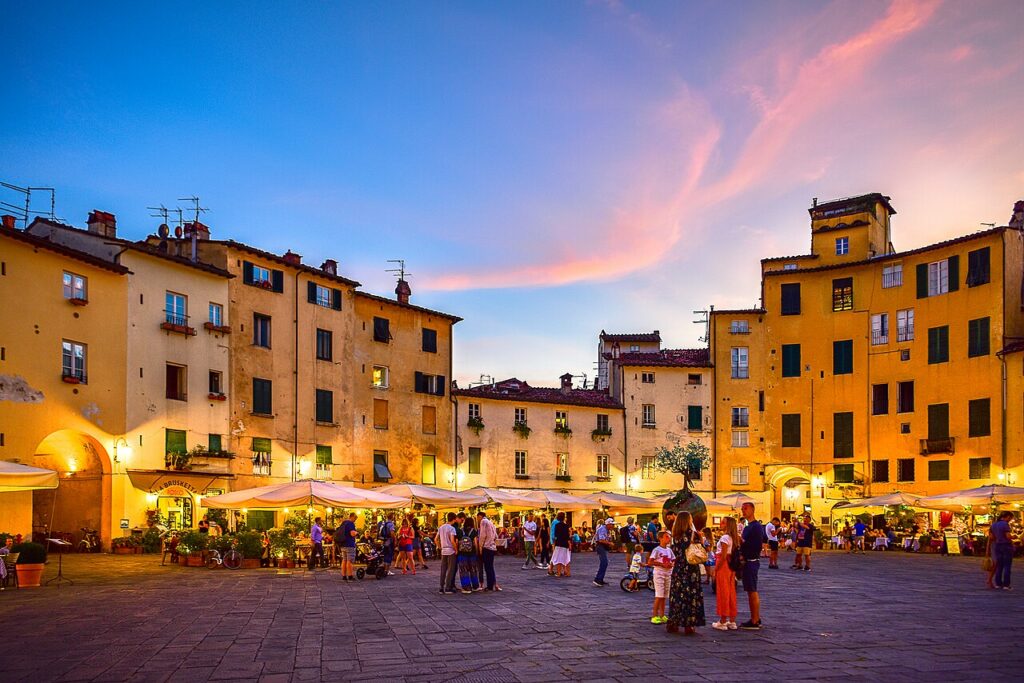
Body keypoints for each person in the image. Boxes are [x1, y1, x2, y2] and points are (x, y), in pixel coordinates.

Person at [666, 511, 705, 635]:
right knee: (691, 596)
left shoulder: (675, 535)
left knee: (677, 595)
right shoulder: (693, 534)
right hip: (691, 568)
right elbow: (702, 549)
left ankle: (674, 622)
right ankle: (689, 624)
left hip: (679, 568)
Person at [739, 502, 764, 630]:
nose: (743, 511)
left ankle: (755, 620)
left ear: (753, 510)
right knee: (750, 590)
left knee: (752, 590)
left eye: (746, 508)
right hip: (748, 560)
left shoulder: (756, 526)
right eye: (742, 509)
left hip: (751, 560)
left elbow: (756, 545)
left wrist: (743, 543)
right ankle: (755, 617)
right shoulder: (747, 526)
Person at [712, 516, 739, 631]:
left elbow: (722, 556)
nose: (720, 524)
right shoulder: (735, 538)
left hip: (723, 565)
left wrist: (715, 569)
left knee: (723, 591)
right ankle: (732, 620)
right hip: (731, 566)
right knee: (731, 591)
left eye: (723, 523)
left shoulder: (724, 538)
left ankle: (722, 620)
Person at [648, 531, 675, 624]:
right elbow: (650, 562)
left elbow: (674, 559)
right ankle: (654, 615)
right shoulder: (657, 550)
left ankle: (662, 615)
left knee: (664, 596)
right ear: (661, 538)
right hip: (659, 573)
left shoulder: (669, 550)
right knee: (659, 595)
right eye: (666, 537)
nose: (669, 539)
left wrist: (671, 564)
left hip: (668, 573)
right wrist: (661, 564)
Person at [477, 511, 501, 591]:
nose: (477, 520)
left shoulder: (483, 522)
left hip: (486, 547)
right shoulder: (491, 523)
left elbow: (482, 535)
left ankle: (490, 586)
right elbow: (496, 536)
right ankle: (493, 584)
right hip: (492, 547)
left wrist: (480, 546)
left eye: (477, 518)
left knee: (487, 567)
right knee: (490, 567)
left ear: (480, 516)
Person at [436, 512, 459, 594]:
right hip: (450, 550)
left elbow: (436, 539)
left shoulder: (441, 527)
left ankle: (441, 587)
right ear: (454, 519)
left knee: (443, 569)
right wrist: (456, 549)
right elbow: (452, 541)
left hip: (443, 550)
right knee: (450, 569)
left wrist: (439, 547)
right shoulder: (452, 528)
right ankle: (448, 587)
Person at [457, 516, 481, 593]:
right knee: (473, 570)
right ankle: (475, 586)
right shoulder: (474, 531)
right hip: (472, 553)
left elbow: (457, 542)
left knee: (463, 570)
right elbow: (475, 543)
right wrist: (477, 552)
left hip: (462, 553)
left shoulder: (460, 531)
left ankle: (466, 587)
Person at [992, 511, 1014, 590]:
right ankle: (1006, 585)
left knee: (999, 565)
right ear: (1007, 516)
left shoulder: (994, 524)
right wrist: (1013, 537)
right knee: (1007, 566)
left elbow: (992, 537)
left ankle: (998, 584)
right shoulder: (1005, 524)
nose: (1010, 520)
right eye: (1010, 518)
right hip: (1006, 546)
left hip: (998, 545)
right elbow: (1008, 536)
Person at [593, 518, 615, 586]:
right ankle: (598, 579)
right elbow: (601, 540)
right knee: (604, 562)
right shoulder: (603, 529)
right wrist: (609, 543)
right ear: (608, 524)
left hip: (602, 546)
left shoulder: (606, 529)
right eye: (612, 524)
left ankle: (600, 579)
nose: (612, 526)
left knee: (604, 563)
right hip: (600, 546)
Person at [338, 512, 358, 581]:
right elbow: (352, 533)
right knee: (350, 561)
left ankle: (343, 576)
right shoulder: (350, 523)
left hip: (343, 544)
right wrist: (356, 533)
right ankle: (350, 576)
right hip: (349, 544)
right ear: (352, 517)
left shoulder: (344, 523)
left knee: (344, 560)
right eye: (355, 518)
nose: (355, 520)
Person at [551, 511, 572, 577]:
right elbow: (567, 536)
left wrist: (554, 544)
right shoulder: (566, 526)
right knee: (566, 559)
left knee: (559, 559)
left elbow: (556, 536)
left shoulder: (557, 525)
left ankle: (559, 573)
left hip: (559, 543)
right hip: (565, 544)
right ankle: (568, 573)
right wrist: (569, 543)